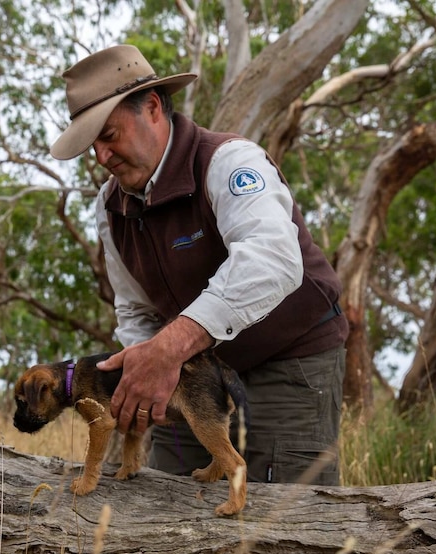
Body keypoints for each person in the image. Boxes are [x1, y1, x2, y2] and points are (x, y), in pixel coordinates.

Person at [50, 44, 349, 485]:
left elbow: (272, 258)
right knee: (169, 499)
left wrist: (168, 349)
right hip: (191, 373)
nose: (101, 157)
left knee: (287, 512)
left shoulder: (229, 162)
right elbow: (135, 307)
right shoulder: (108, 207)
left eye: (108, 136)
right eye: (92, 145)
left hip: (290, 357)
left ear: (152, 107)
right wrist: (142, 366)